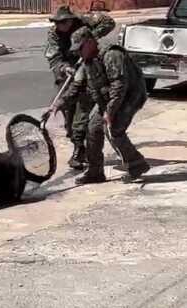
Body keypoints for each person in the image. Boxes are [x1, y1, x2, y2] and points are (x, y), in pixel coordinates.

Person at [51, 26, 150, 185]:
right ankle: (95, 172)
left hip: (129, 96)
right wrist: (59, 103)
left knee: (113, 129)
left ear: (90, 42)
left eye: (81, 47)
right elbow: (77, 86)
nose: (79, 52)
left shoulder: (112, 55)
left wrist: (109, 113)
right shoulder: (86, 62)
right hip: (108, 98)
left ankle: (136, 165)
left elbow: (119, 86)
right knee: (93, 129)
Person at [44, 6, 115, 170]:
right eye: (56, 22)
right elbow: (53, 57)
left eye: (63, 21)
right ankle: (78, 145)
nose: (59, 25)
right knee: (68, 113)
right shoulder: (53, 34)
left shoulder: (82, 22)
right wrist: (64, 68)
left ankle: (79, 152)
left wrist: (89, 39)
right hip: (67, 72)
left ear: (71, 19)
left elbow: (109, 22)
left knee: (82, 111)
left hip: (87, 67)